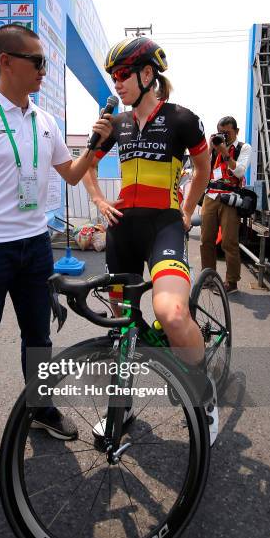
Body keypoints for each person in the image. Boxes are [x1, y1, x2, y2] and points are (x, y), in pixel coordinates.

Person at [0, 23, 112, 471]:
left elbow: (71, 175)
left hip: (35, 247)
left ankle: (40, 410)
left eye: (46, 63)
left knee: (39, 338)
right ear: (6, 63)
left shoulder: (45, 120)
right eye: (38, 63)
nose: (45, 72)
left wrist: (95, 146)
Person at [82, 37, 218, 445]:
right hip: (122, 230)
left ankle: (203, 396)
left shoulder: (180, 118)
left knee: (173, 314)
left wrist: (188, 207)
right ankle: (119, 413)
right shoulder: (117, 124)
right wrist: (98, 199)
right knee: (121, 330)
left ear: (147, 75)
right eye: (113, 76)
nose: (116, 83)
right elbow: (86, 163)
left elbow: (203, 164)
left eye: (122, 74)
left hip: (164, 226)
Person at [200, 116, 252, 294]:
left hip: (230, 198)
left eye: (227, 133)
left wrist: (225, 153)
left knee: (229, 242)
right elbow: (201, 168)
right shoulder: (214, 146)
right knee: (206, 240)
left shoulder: (243, 148)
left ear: (236, 131)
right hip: (211, 196)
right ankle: (208, 277)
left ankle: (232, 282)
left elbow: (239, 172)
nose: (224, 137)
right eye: (220, 133)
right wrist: (209, 148)